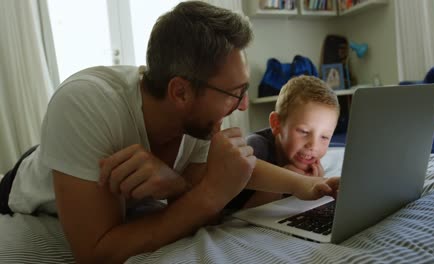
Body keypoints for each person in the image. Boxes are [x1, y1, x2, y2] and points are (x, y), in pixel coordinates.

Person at [0, 2, 338, 263]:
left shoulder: (198, 121)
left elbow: (226, 170)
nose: (243, 105)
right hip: (27, 186)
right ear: (180, 92)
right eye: (235, 93)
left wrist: (308, 185)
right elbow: (95, 254)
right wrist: (209, 195)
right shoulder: (85, 103)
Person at [227, 75, 340, 209]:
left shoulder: (308, 161)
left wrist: (314, 183)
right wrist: (294, 181)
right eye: (304, 131)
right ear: (277, 124)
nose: (313, 146)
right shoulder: (255, 147)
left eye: (324, 137)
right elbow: (245, 213)